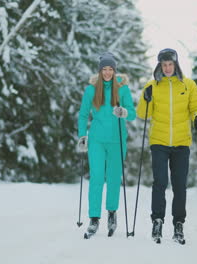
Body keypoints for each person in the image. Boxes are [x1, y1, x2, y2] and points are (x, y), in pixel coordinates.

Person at [136, 48, 197, 244]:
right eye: (164, 65)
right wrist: (145, 98)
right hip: (159, 141)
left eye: (170, 64)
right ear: (160, 65)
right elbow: (143, 114)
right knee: (159, 182)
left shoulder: (188, 85)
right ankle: (157, 221)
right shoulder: (152, 86)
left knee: (179, 185)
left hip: (182, 142)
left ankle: (178, 224)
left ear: (176, 64)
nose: (167, 68)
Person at [77, 52, 136, 239]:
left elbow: (133, 114)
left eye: (111, 69)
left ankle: (112, 213)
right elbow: (83, 114)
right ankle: (94, 218)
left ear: (115, 70)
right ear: (100, 70)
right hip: (96, 140)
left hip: (117, 140)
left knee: (112, 179)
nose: (108, 73)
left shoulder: (123, 90)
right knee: (96, 178)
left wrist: (124, 111)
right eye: (105, 69)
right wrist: (82, 136)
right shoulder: (91, 90)